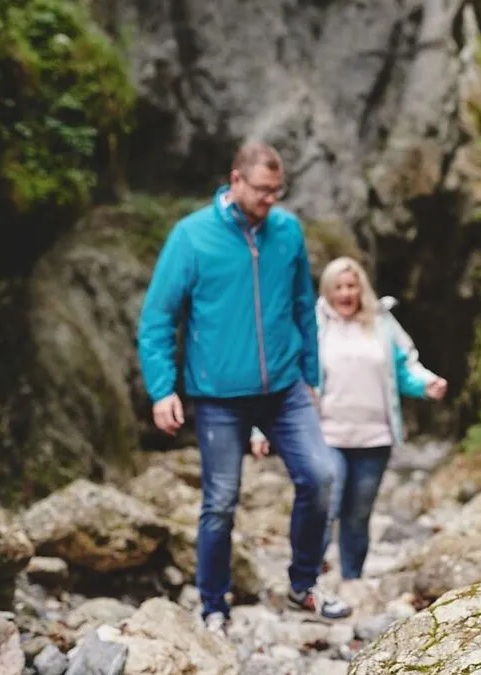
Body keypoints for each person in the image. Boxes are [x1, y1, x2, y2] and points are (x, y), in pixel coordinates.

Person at [137, 141, 351, 634]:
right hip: (218, 395)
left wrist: (311, 377)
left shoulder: (287, 231)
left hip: (284, 386)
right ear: (235, 181)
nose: (270, 200)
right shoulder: (191, 237)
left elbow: (303, 308)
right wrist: (162, 389)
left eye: (278, 191)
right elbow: (157, 319)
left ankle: (303, 585)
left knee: (320, 477)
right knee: (220, 501)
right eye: (261, 190)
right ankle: (214, 604)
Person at [254, 257, 447, 579]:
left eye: (351, 286)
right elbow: (283, 376)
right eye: (337, 287)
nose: (345, 293)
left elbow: (404, 366)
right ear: (326, 291)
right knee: (326, 508)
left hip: (375, 438)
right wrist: (261, 430)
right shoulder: (311, 324)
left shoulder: (382, 322)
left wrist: (427, 383)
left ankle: (351, 580)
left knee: (358, 515)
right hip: (326, 434)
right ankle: (307, 581)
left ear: (361, 288)